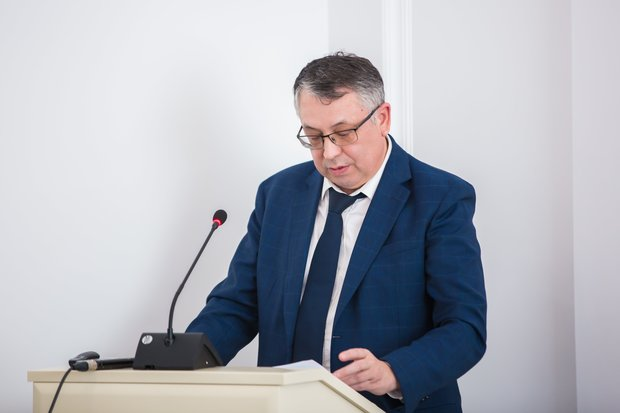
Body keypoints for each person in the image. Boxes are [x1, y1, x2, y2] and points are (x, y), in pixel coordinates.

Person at [187, 52, 486, 413]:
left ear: (382, 118)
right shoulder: (278, 194)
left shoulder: (440, 198)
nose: (329, 153)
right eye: (314, 137)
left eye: (344, 134)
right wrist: (184, 358)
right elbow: (238, 304)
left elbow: (465, 328)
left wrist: (393, 372)